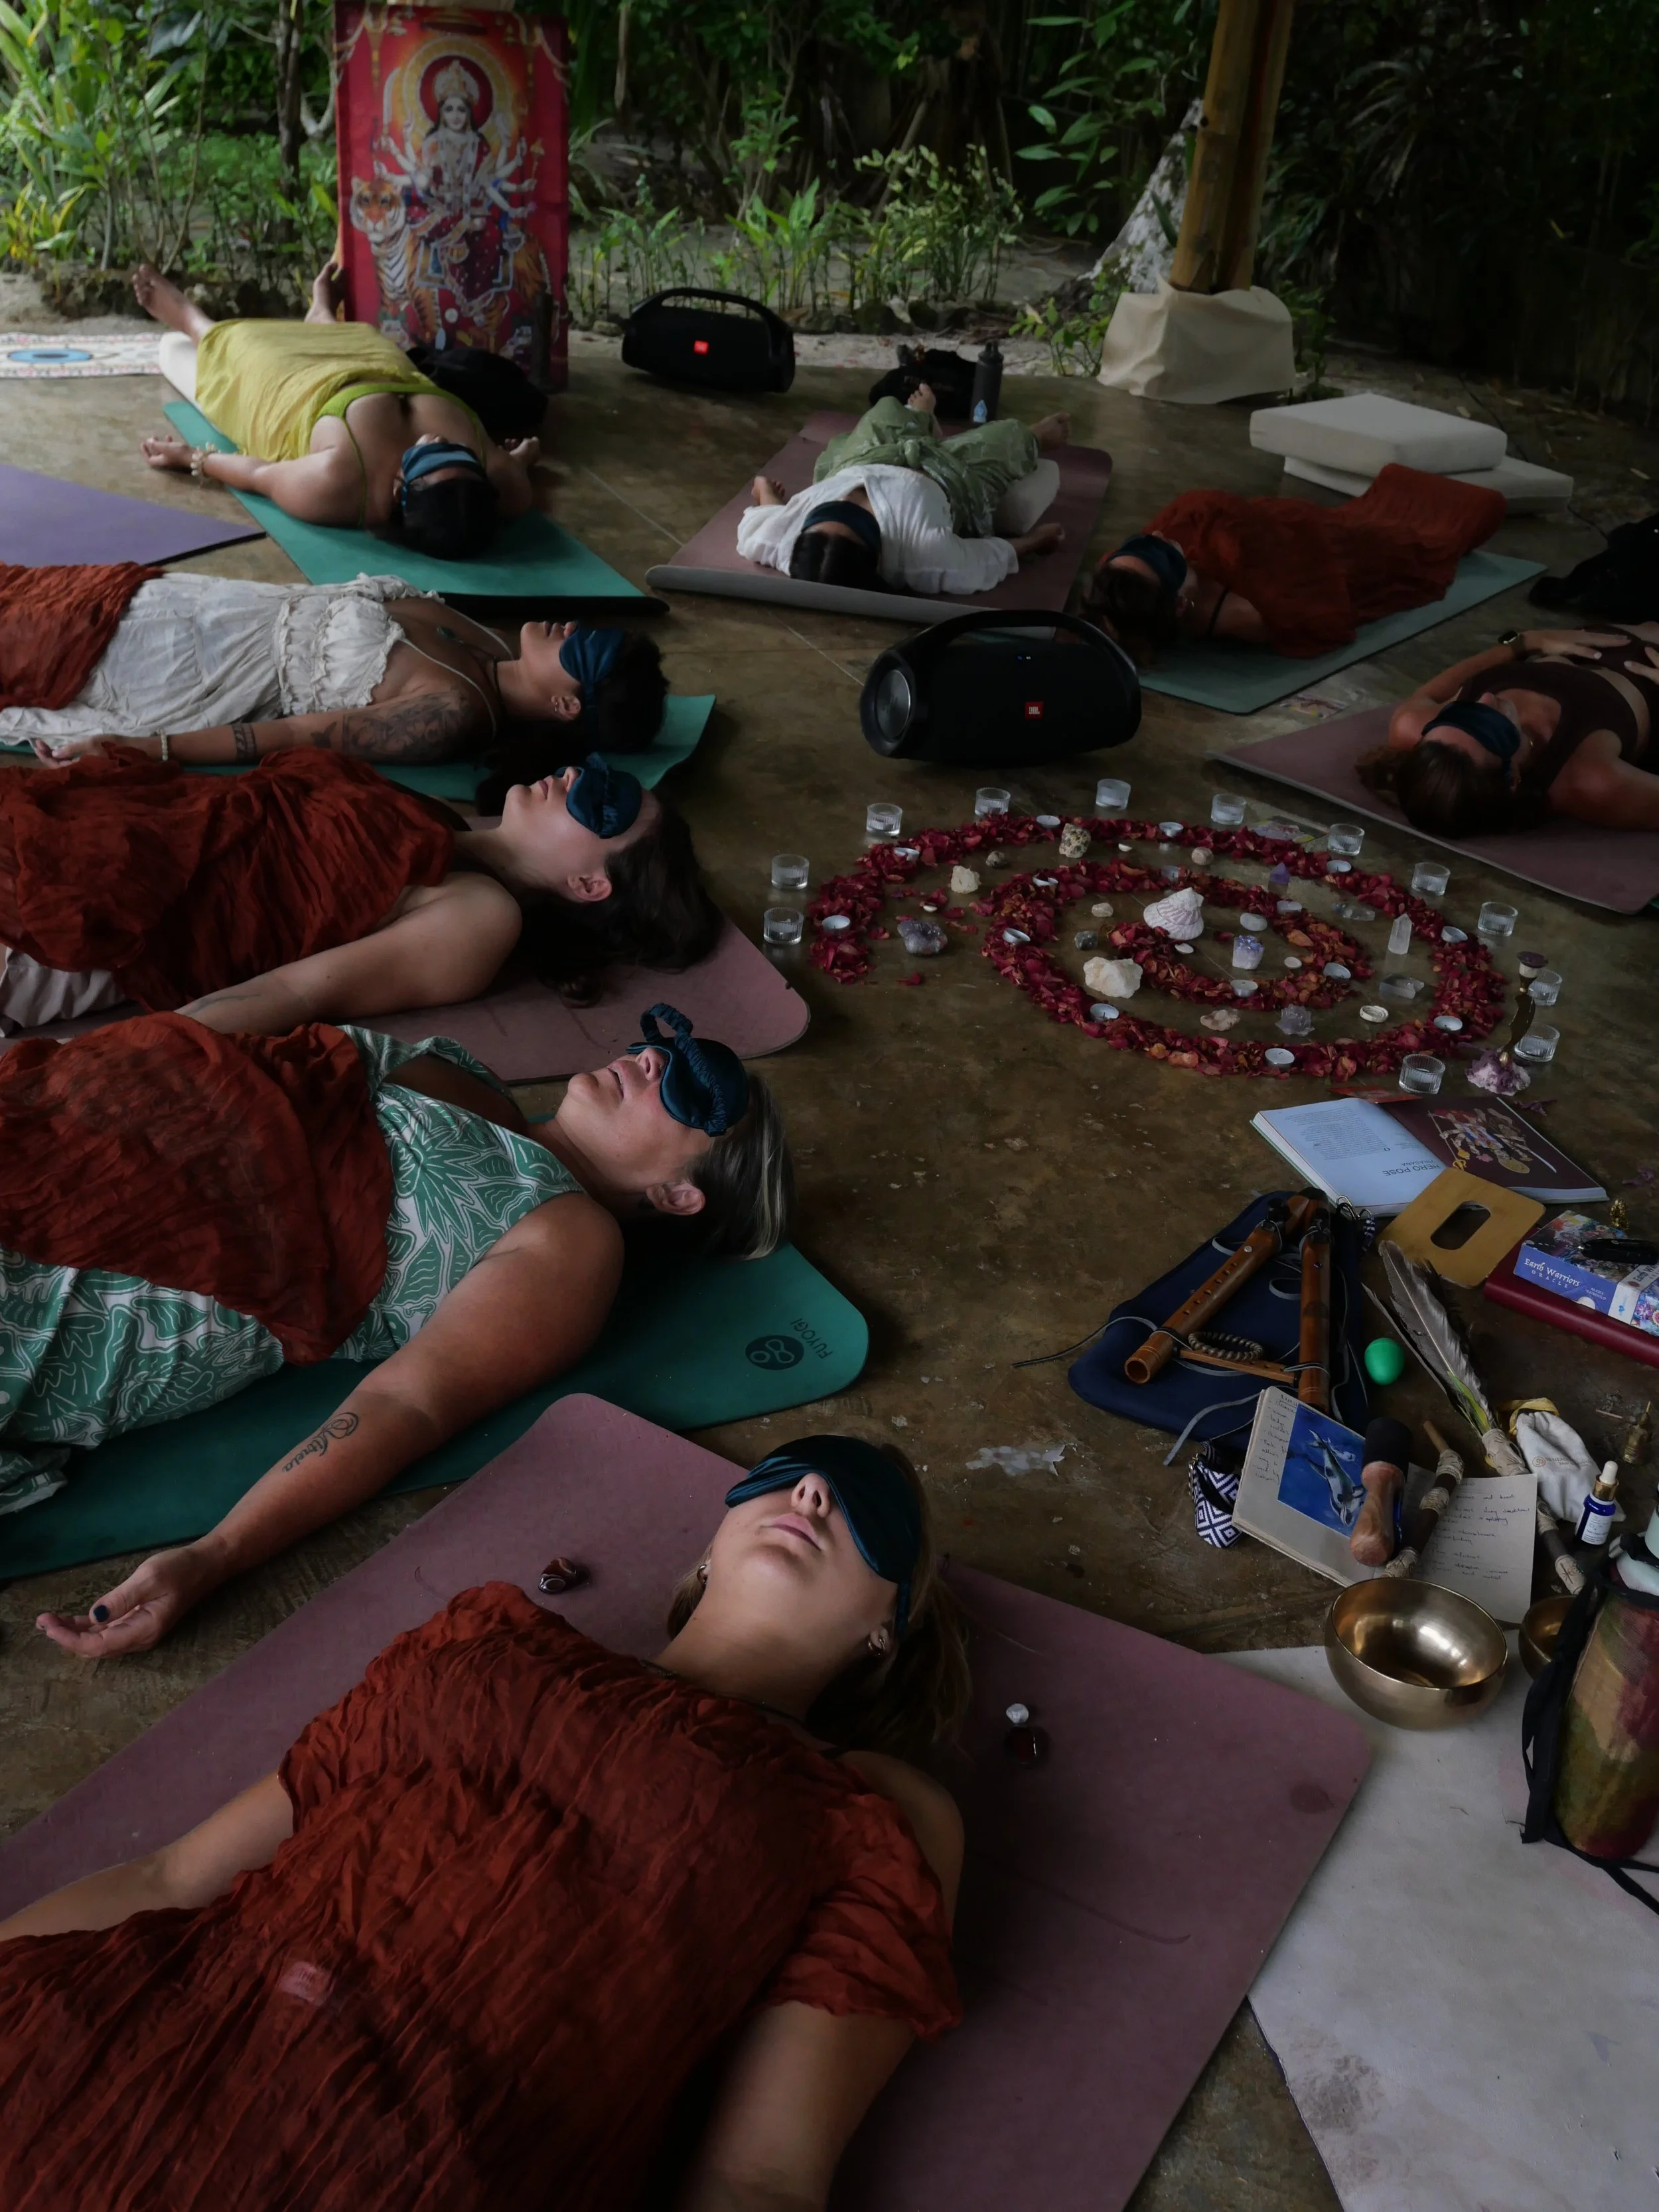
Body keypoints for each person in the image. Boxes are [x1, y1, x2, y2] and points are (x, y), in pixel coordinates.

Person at [0, 1438, 967, 2210]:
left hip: (427, 2151)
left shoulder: (870, 1806)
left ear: (889, 1627)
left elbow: (760, 2176)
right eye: (786, 1474)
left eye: (862, 1508)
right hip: (152, 2029)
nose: (809, 1498)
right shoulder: (484, 1643)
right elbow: (174, 1875)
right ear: (707, 1548)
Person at [0, 1001, 794, 1652]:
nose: (654, 1059)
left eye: (697, 1093)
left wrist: (213, 1558)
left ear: (679, 1195)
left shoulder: (570, 1241)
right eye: (665, 1045)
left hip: (168, 1268)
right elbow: (253, 1039)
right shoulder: (463, 1076)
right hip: (93, 1129)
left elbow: (404, 1407)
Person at [0, 748, 719, 1029]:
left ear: (589, 883)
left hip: (77, 924)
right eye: (594, 773)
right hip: (67, 827)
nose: (572, 779)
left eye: (602, 805)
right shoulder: (435, 818)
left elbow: (296, 992)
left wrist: (118, 1056)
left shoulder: (478, 915)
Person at [0, 564, 668, 764]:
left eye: (584, 650)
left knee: (26, 644)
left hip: (187, 671)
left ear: (565, 705)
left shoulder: (455, 712)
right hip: (203, 602)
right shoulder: (493, 646)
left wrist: (148, 749)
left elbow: (292, 736)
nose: (572, 628)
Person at [133, 260, 538, 559]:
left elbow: (259, 474)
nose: (442, 440)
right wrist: (522, 455)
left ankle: (192, 320)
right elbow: (515, 465)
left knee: (243, 349)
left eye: (434, 455)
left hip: (294, 388)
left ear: (399, 489)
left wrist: (190, 457)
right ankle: (321, 313)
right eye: (459, 453)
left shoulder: (337, 487)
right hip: (379, 364)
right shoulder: (502, 486)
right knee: (361, 335)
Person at [1081, 465, 1506, 663]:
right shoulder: (1247, 612)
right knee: (1426, 538)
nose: (1156, 537)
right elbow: (1323, 615)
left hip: (1277, 524)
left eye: (1140, 547)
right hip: (1320, 553)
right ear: (1179, 603)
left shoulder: (1120, 575)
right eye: (1157, 553)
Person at [738, 385, 1072, 597]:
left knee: (885, 406)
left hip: (862, 460)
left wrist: (766, 493)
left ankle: (921, 418)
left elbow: (763, 519)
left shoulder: (779, 541)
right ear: (880, 557)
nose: (845, 499)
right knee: (1011, 437)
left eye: (830, 509)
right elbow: (985, 561)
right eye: (855, 514)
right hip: (950, 476)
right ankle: (1032, 437)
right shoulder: (925, 556)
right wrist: (1037, 541)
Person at [1361, 624, 1659, 835]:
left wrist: (1523, 643)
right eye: (1489, 727)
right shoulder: (1588, 781)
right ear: (1513, 778)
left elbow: (1427, 695)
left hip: (1582, 638)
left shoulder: (1412, 727)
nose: (1487, 698)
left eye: (1459, 713)